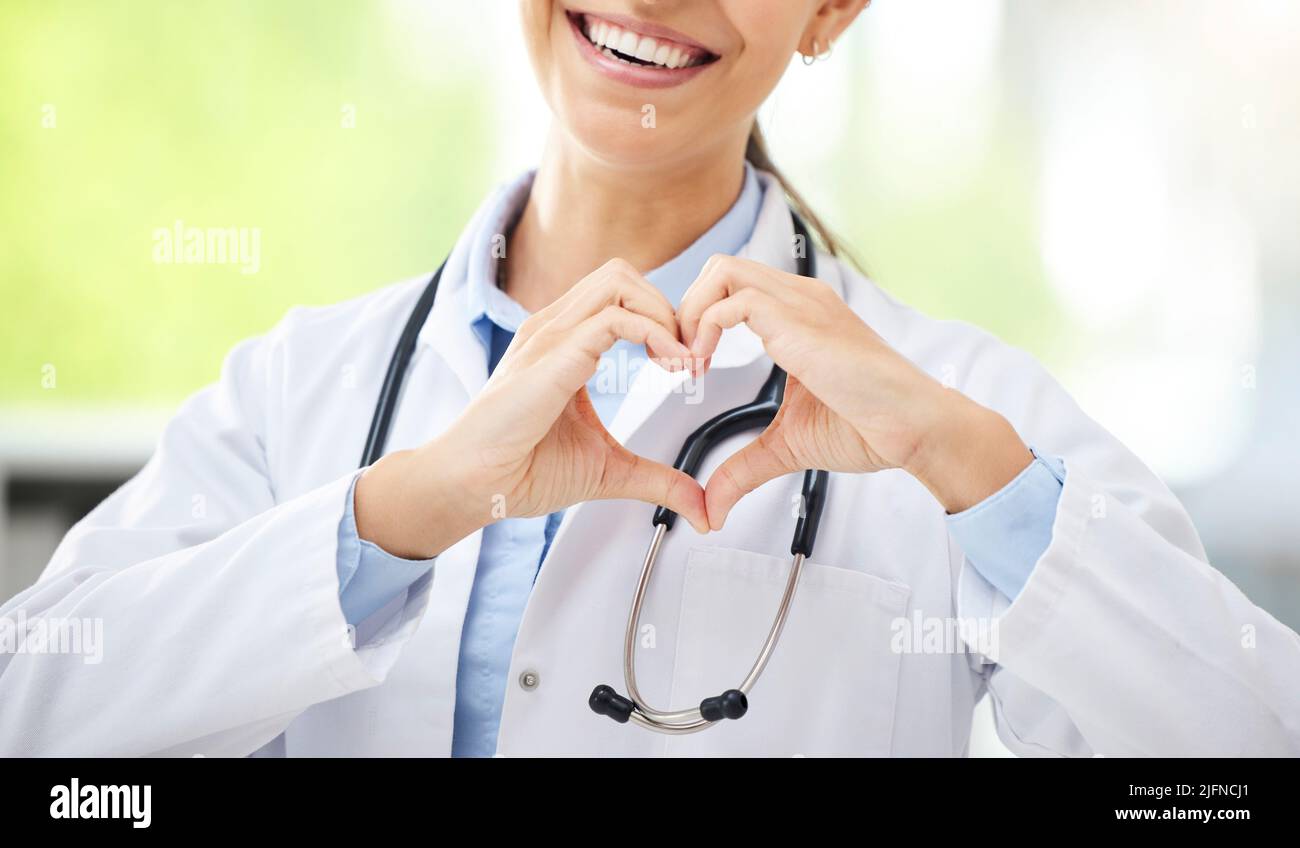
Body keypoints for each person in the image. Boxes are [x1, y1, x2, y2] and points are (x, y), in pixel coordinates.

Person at [2, 0, 1296, 757]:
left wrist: (972, 471)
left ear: (835, 9)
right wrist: (396, 518)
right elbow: (33, 707)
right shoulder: (304, 386)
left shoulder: (958, 411)